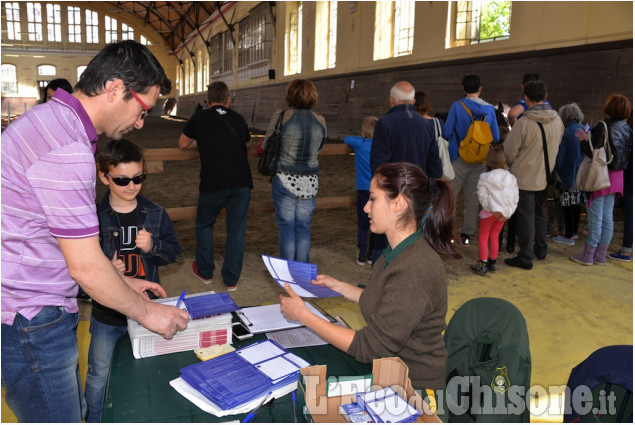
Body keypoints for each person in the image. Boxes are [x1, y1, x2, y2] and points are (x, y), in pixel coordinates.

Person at [1, 40, 189, 423]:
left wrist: (122, 285)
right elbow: (85, 266)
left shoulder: (51, 122)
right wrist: (148, 313)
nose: (140, 122)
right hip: (30, 317)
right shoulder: (65, 147)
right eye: (142, 109)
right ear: (116, 89)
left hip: (28, 304)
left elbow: (66, 242)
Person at [279, 162, 462, 395]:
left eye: (373, 199)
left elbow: (371, 346)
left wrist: (304, 315)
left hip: (414, 387)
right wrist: (341, 287)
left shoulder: (414, 268)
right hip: (391, 370)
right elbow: (385, 302)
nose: (366, 207)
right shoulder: (399, 252)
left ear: (398, 204)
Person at [85, 139, 182, 422]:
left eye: (138, 178)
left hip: (148, 311)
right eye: (122, 179)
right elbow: (80, 269)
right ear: (104, 177)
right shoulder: (93, 217)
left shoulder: (155, 213)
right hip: (107, 315)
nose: (131, 186)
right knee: (98, 374)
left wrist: (154, 246)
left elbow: (173, 252)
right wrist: (106, 268)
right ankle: (96, 418)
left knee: (151, 369)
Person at [178, 81, 253, 291]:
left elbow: (182, 144)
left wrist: (203, 141)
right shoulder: (238, 118)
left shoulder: (200, 117)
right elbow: (247, 143)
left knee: (204, 225)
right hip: (241, 182)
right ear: (228, 100)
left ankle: (205, 271)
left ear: (207, 100)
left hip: (213, 182)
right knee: (236, 230)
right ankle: (231, 280)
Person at [369, 82, 442, 262]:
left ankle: (380, 284)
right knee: (411, 239)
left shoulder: (384, 123)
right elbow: (436, 167)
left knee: (384, 243)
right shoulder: (427, 125)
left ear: (391, 101)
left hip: (392, 193)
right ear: (413, 101)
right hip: (417, 194)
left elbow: (379, 165)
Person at [262, 79, 326, 263]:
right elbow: (319, 148)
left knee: (287, 228)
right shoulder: (320, 119)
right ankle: (302, 274)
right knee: (303, 228)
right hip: (310, 181)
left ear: (290, 95)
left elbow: (267, 144)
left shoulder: (281, 116)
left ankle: (288, 274)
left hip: (284, 179)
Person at [503, 80, 564, 270]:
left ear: (526, 98)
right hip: (546, 175)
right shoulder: (558, 120)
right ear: (546, 96)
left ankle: (525, 257)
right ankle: (541, 249)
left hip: (525, 178)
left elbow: (509, 150)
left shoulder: (525, 122)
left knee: (525, 217)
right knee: (540, 213)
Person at [571, 94, 632, 266]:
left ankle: (589, 255)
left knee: (595, 217)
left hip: (601, 174)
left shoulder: (602, 126)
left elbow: (593, 152)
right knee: (607, 217)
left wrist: (584, 139)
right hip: (618, 176)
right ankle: (601, 255)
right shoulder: (628, 129)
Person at [444, 74, 500, 247]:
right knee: (472, 198)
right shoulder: (490, 109)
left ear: (463, 88)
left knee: (450, 197)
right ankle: (467, 234)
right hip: (479, 159)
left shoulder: (457, 106)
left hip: (459, 157)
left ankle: (446, 234)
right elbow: (496, 136)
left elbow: (446, 132)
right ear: (480, 88)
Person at [470, 145, 519, 275]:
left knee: (483, 237)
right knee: (495, 236)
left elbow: (482, 196)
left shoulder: (485, 178)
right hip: (503, 214)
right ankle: (492, 262)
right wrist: (507, 213)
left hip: (488, 212)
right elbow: (515, 197)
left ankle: (483, 264)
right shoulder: (511, 178)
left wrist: (493, 209)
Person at [344, 116, 378, 266]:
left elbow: (347, 139)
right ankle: (372, 253)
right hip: (378, 189)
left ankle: (362, 253)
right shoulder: (380, 146)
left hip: (364, 189)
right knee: (377, 220)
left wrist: (361, 137)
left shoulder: (359, 144)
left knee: (363, 223)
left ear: (363, 133)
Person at [552, 103, 587, 246]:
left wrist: (555, 169)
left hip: (568, 173)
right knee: (577, 204)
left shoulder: (566, 132)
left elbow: (560, 156)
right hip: (581, 172)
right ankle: (575, 232)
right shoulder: (583, 129)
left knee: (568, 205)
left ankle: (568, 236)